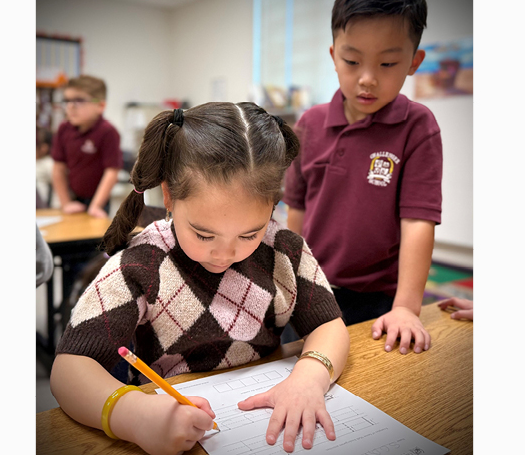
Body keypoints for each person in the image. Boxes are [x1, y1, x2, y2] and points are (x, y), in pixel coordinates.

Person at [51, 103, 350, 454]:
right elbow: (69, 368)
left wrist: (311, 377)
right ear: (169, 196)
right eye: (204, 236)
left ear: (272, 205)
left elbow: (329, 325)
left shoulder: (284, 249)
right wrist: (132, 414)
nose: (225, 254)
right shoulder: (142, 263)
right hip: (170, 426)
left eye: (249, 234)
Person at [283, 0, 442, 356]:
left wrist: (406, 307)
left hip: (379, 299)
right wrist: (292, 280)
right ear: (334, 55)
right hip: (312, 289)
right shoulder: (310, 124)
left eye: (387, 65)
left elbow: (418, 222)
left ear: (413, 62)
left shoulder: (418, 126)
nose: (367, 79)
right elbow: (296, 211)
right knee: (300, 370)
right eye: (353, 62)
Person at [51, 75, 122, 218]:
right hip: (71, 198)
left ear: (100, 106)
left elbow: (112, 172)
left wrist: (95, 206)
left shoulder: (108, 132)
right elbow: (58, 168)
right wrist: (66, 203)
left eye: (79, 100)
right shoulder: (64, 129)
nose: (70, 106)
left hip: (98, 200)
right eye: (67, 101)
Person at [36, 125, 57, 208]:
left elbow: (57, 188)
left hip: (45, 209)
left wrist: (56, 208)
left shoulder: (49, 164)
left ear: (44, 148)